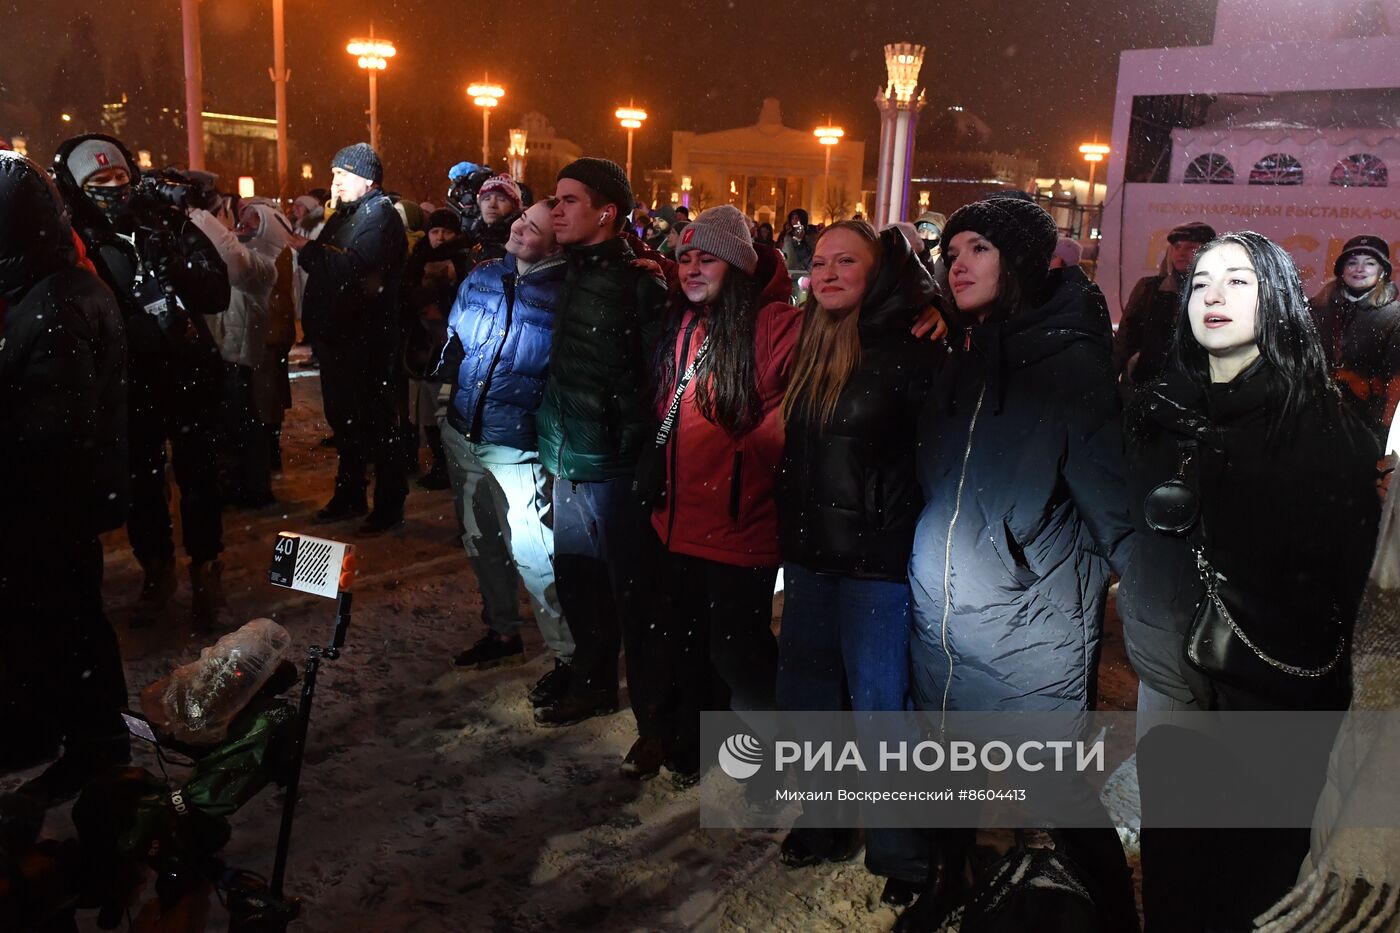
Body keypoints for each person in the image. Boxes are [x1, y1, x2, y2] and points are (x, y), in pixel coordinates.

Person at [1118, 231, 1380, 931]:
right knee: (1174, 876)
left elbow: (1353, 582)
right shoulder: (1154, 414)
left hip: (1278, 694)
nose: (1213, 297)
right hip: (1173, 685)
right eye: (1202, 282)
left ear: (1280, 301)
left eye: (1238, 281)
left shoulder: (1327, 429)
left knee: (1257, 881)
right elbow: (1126, 526)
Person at [901, 197, 1138, 931]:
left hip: (1028, 629)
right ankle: (948, 875)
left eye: (978, 248)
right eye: (952, 252)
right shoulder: (964, 355)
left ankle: (1115, 912)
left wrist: (1033, 567)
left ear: (1022, 262)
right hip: (945, 613)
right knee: (940, 765)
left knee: (1054, 788)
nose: (958, 263)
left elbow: (1116, 512)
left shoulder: (1071, 368)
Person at [774, 221, 938, 903]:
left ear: (880, 273)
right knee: (810, 702)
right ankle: (825, 823)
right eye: (820, 261)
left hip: (878, 566)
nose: (830, 272)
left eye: (848, 261)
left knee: (881, 713)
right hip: (812, 559)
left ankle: (906, 854)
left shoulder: (911, 347)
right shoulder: (810, 340)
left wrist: (943, 307)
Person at [644, 206, 803, 783]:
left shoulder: (777, 323)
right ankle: (693, 745)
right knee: (688, 645)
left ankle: (782, 757)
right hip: (679, 518)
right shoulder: (683, 320)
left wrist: (757, 455)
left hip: (741, 523)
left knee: (740, 654)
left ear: (736, 264)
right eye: (684, 258)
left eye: (706, 257)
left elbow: (807, 393)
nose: (691, 268)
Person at [51, 134, 231, 627]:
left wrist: (170, 262)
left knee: (199, 481)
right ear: (77, 187)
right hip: (130, 385)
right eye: (99, 181)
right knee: (142, 486)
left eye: (120, 177)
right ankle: (157, 569)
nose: (113, 188)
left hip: (190, 375)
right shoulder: (74, 240)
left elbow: (217, 291)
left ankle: (205, 570)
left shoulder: (166, 222)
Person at [0, 150, 130, 802]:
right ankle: (74, 734)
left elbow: (49, 431)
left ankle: (96, 747)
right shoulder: (41, 288)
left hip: (52, 504)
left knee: (68, 621)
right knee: (58, 621)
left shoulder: (59, 303)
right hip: (50, 503)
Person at [532, 158, 670, 729]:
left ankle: (657, 724)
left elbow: (658, 380)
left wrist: (636, 455)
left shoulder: (639, 283)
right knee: (578, 583)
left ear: (606, 212)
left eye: (569, 201)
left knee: (632, 598)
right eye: (555, 199)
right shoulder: (569, 270)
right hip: (567, 457)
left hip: (615, 470)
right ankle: (591, 681)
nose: (555, 210)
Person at [438, 198, 575, 711]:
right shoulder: (483, 276)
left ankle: (568, 656)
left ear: (557, 241)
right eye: (521, 220)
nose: (519, 229)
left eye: (534, 227)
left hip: (516, 446)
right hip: (464, 431)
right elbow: (455, 339)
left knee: (535, 555)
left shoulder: (565, 292)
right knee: (480, 542)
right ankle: (501, 632)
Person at [292, 143, 409, 534]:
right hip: (340, 339)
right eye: (334, 175)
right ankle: (350, 495)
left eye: (342, 175)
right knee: (346, 423)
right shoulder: (349, 213)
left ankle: (388, 506)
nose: (335, 183)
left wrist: (307, 250)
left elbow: (354, 268)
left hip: (366, 341)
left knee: (376, 424)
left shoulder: (380, 218)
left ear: (367, 180)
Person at [188, 190, 278, 510]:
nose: (242, 225)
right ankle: (238, 480)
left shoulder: (263, 262)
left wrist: (200, 216)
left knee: (247, 422)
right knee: (232, 421)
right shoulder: (240, 252)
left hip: (242, 356)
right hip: (226, 351)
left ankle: (256, 487)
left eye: (252, 222)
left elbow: (233, 258)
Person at [402, 207, 471, 489]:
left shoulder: (463, 259)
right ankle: (438, 463)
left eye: (446, 232)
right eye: (435, 231)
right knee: (426, 410)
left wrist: (438, 305)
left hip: (449, 345)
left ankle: (447, 466)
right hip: (422, 345)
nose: (440, 237)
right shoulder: (418, 257)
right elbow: (406, 293)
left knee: (444, 409)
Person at [1309, 234, 1400, 441]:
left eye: (1369, 263)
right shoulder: (1316, 309)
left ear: (1383, 271)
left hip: (1366, 422)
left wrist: (1384, 429)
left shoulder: (1395, 316)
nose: (1359, 269)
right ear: (1341, 269)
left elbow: (1396, 378)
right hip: (1312, 414)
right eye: (1352, 262)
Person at [1114, 220, 1216, 390]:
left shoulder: (1216, 294)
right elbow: (1126, 338)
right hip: (1146, 387)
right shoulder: (1149, 289)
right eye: (1177, 247)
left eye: (1191, 247)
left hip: (1197, 391)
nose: (1181, 253)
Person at [466, 173, 523, 271]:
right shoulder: (473, 238)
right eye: (486, 199)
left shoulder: (519, 240)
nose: (492, 205)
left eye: (501, 199)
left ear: (514, 206)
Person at [776, 208, 815, 272]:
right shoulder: (788, 235)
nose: (794, 221)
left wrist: (800, 241)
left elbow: (808, 254)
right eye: (792, 218)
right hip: (790, 268)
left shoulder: (810, 235)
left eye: (796, 218)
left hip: (804, 269)